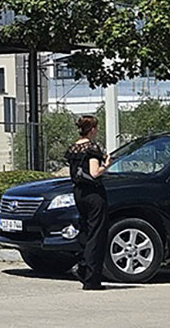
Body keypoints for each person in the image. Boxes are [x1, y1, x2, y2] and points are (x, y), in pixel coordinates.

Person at [65, 115, 111, 290]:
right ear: (92, 130)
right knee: (96, 234)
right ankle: (92, 279)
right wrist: (106, 165)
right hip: (93, 193)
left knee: (85, 230)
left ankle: (82, 267)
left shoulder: (74, 148)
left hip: (78, 192)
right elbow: (94, 172)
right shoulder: (92, 148)